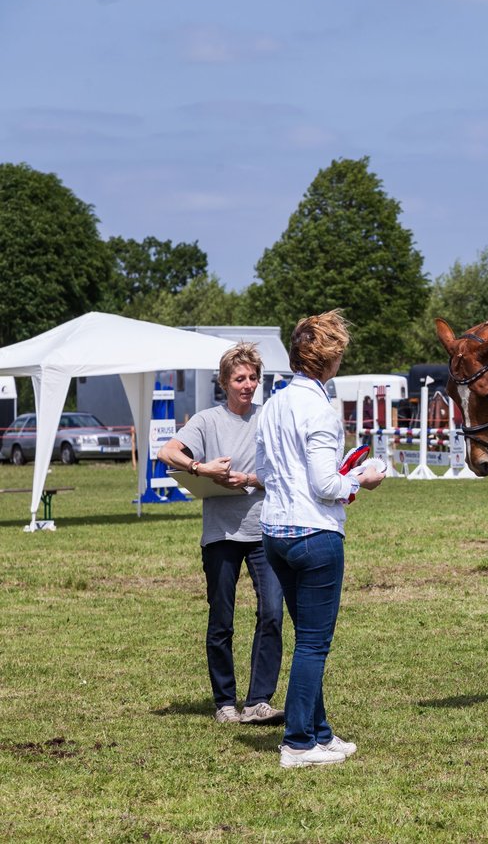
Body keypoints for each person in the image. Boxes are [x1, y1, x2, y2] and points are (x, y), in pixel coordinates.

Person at [256, 310, 386, 768]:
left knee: (308, 637)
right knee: (314, 643)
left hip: (275, 531)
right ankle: (296, 743)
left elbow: (267, 472)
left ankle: (319, 732)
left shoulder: (271, 406)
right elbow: (326, 485)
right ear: (330, 362)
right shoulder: (322, 412)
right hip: (315, 533)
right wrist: (362, 480)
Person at [157, 343, 285, 725]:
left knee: (273, 614)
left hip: (265, 530)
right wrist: (201, 468)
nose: (247, 385)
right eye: (239, 379)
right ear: (224, 382)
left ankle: (259, 700)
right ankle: (225, 703)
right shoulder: (206, 420)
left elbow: (283, 471)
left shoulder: (269, 419)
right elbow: (167, 452)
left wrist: (248, 479)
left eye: (252, 378)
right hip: (220, 535)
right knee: (222, 620)